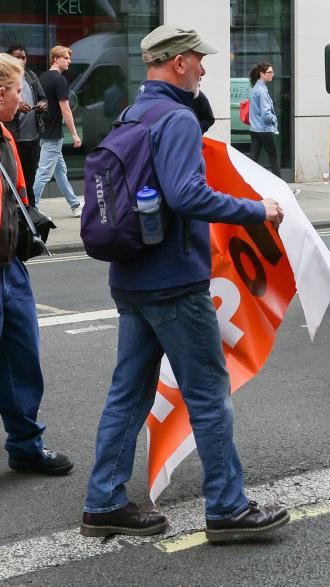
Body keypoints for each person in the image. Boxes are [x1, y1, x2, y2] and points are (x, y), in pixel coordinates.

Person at [81, 25, 289, 542]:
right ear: (177, 63)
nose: (202, 68)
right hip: (174, 283)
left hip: (131, 278)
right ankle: (227, 507)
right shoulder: (173, 118)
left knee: (128, 394)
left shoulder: (134, 113)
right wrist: (256, 211)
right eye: (198, 61)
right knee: (208, 393)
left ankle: (103, 500)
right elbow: (187, 195)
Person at [0, 53, 73, 476]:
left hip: (11, 267)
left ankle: (26, 446)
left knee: (22, 360)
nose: (20, 97)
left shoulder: (7, 137)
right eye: (14, 90)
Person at [34, 45, 82, 217]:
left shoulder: (43, 78)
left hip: (44, 132)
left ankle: (75, 204)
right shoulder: (60, 80)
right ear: (56, 59)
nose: (69, 61)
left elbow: (40, 105)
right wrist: (75, 134)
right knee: (43, 173)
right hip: (53, 134)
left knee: (60, 171)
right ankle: (31, 208)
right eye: (66, 58)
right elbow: (66, 109)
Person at [4, 44, 47, 209]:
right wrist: (17, 107)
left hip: (32, 137)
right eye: (16, 57)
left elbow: (43, 98)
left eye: (23, 57)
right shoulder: (6, 79)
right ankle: (19, 210)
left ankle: (31, 210)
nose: (21, 60)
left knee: (30, 178)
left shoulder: (31, 76)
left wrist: (41, 104)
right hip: (14, 137)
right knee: (15, 178)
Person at [248, 62, 280, 177]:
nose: (272, 74)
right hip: (265, 130)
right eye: (269, 72)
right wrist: (274, 118)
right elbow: (266, 115)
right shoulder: (262, 91)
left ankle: (247, 184)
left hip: (255, 129)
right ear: (262, 74)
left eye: (272, 72)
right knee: (274, 160)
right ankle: (281, 189)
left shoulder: (256, 87)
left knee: (253, 160)